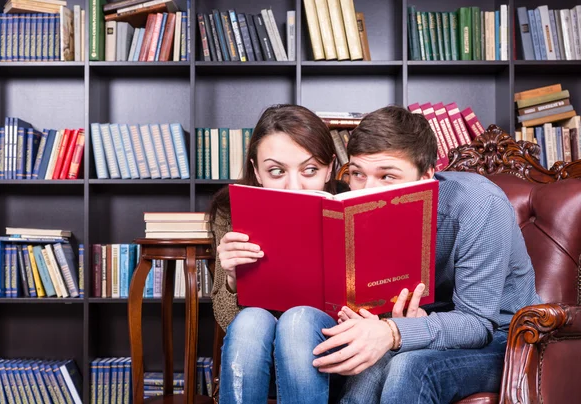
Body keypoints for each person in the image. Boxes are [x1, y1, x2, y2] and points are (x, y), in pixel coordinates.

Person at [311, 105, 542, 403]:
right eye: (357, 174)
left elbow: (477, 323)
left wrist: (393, 331)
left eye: (387, 176)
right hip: (425, 324)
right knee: (369, 368)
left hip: (508, 338)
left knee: (409, 366)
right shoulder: (356, 213)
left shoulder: (481, 206)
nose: (366, 191)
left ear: (427, 176)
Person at [209, 104, 349, 404]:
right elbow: (225, 318)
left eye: (310, 170)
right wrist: (233, 279)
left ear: (329, 168)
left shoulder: (351, 208)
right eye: (276, 171)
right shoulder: (230, 212)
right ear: (257, 171)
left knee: (298, 322)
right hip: (258, 360)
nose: (295, 187)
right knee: (250, 322)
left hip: (339, 354)